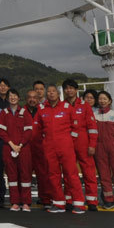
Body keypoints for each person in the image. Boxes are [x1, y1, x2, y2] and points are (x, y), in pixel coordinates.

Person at [33, 84, 85, 214]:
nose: (51, 93)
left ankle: (79, 203)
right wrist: (44, 142)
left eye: (53, 91)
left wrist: (69, 141)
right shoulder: (42, 109)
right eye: (48, 92)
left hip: (65, 146)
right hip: (49, 147)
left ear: (58, 94)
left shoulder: (67, 107)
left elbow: (75, 127)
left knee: (71, 174)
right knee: (53, 175)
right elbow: (36, 130)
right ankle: (58, 203)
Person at [63, 78, 99, 211]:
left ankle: (92, 200)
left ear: (76, 90)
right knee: (69, 172)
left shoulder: (85, 106)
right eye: (67, 88)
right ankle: (69, 199)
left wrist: (92, 144)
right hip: (67, 143)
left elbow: (92, 127)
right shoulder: (62, 106)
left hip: (83, 143)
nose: (69, 90)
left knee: (88, 172)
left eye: (71, 88)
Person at [0, 89, 33, 211]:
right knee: (12, 176)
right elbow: (1, 131)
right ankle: (15, 202)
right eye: (10, 96)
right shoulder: (4, 113)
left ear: (19, 98)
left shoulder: (25, 112)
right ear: (7, 98)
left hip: (24, 149)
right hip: (9, 148)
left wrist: (20, 145)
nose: (12, 97)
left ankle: (26, 202)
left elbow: (28, 131)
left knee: (25, 175)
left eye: (15, 95)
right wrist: (12, 145)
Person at [93, 90, 114, 210]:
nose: (102, 101)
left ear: (109, 101)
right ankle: (108, 201)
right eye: (100, 99)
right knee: (104, 175)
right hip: (99, 147)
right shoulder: (94, 115)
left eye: (104, 99)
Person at [26, 89, 51, 208]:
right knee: (25, 175)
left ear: (38, 99)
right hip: (25, 148)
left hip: (40, 147)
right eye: (30, 97)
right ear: (26, 99)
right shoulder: (22, 111)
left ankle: (45, 199)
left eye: (34, 97)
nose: (32, 100)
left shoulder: (43, 111)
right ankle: (25, 200)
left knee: (43, 174)